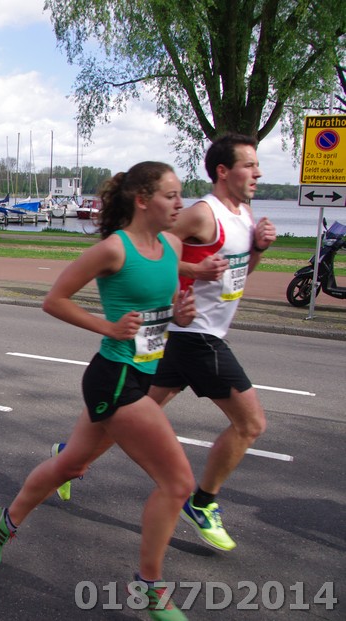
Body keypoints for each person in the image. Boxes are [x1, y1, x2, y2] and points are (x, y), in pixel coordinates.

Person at [0, 162, 196, 621]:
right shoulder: (113, 249)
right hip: (115, 379)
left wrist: (178, 315)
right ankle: (149, 586)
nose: (181, 203)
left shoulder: (172, 245)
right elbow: (54, 300)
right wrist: (109, 327)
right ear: (143, 200)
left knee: (71, 465)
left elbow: (155, 311)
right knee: (178, 483)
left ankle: (7, 521)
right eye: (171, 195)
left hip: (142, 372)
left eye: (181, 194)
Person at [148, 133, 276, 552]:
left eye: (257, 165)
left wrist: (258, 249)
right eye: (249, 165)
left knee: (134, 415)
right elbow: (151, 250)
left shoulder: (245, 215)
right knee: (251, 424)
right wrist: (194, 272)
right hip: (195, 335)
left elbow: (238, 274)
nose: (258, 173)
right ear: (223, 171)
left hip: (192, 335)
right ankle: (202, 503)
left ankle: (69, 456)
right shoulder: (203, 214)